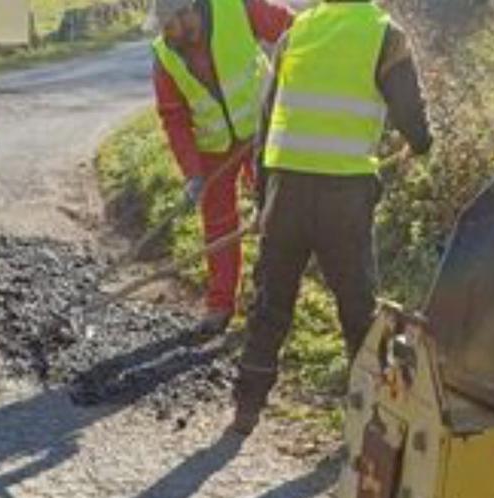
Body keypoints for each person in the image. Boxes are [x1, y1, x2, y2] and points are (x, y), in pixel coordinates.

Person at [231, 0, 433, 435]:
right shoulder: (385, 34)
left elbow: (268, 119)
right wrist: (420, 143)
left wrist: (263, 194)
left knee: (271, 301)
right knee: (357, 307)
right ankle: (369, 418)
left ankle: (246, 408)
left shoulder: (297, 31)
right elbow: (411, 116)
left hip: (286, 190)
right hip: (344, 194)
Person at [152, 0, 294, 336]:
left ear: (190, 13)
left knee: (274, 217)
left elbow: (295, 32)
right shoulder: (164, 54)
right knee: (218, 227)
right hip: (212, 149)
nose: (166, 33)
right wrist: (192, 173)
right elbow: (173, 118)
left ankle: (271, 304)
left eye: (170, 24)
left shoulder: (238, 7)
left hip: (263, 132)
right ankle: (220, 306)